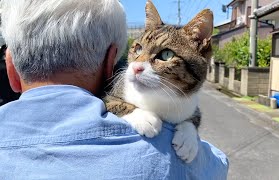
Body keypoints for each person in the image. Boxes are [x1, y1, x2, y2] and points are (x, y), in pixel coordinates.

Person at [0, 0, 228, 179]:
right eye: (137, 50)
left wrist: (188, 126)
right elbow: (219, 166)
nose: (138, 64)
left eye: (164, 55)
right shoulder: (189, 165)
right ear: (111, 61)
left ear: (10, 66)